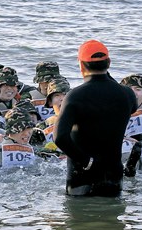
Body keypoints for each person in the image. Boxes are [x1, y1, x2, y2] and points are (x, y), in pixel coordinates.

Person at [54, 40, 137, 197]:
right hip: (113, 177)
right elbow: (131, 107)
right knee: (113, 219)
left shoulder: (75, 96)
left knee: (79, 219)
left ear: (81, 66)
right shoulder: (127, 94)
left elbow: (60, 138)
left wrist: (86, 161)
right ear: (109, 63)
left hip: (81, 179)